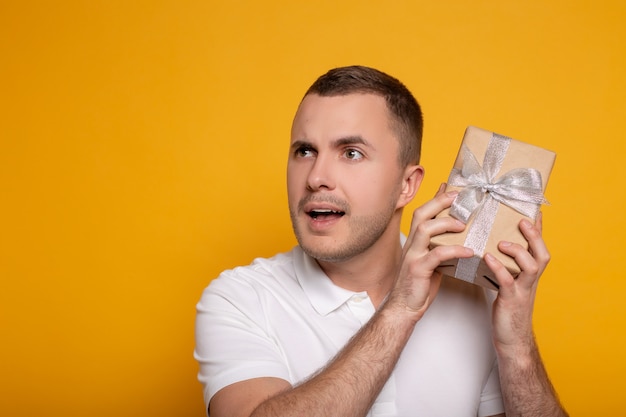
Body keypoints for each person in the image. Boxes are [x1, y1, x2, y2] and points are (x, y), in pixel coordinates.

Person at [194, 65, 568, 417]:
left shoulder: (473, 296)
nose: (316, 177)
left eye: (351, 153)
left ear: (407, 185)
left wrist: (517, 349)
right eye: (305, 151)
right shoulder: (239, 298)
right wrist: (400, 310)